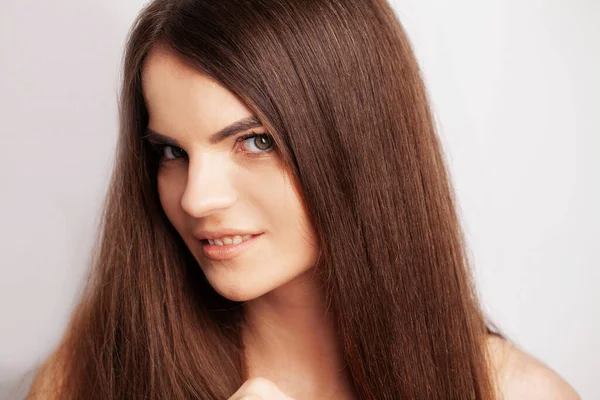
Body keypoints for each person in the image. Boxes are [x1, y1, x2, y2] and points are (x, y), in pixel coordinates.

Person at [26, 0, 579, 398]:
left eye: (255, 141)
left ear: (358, 143)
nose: (197, 198)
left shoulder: (514, 392)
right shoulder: (86, 376)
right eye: (171, 152)